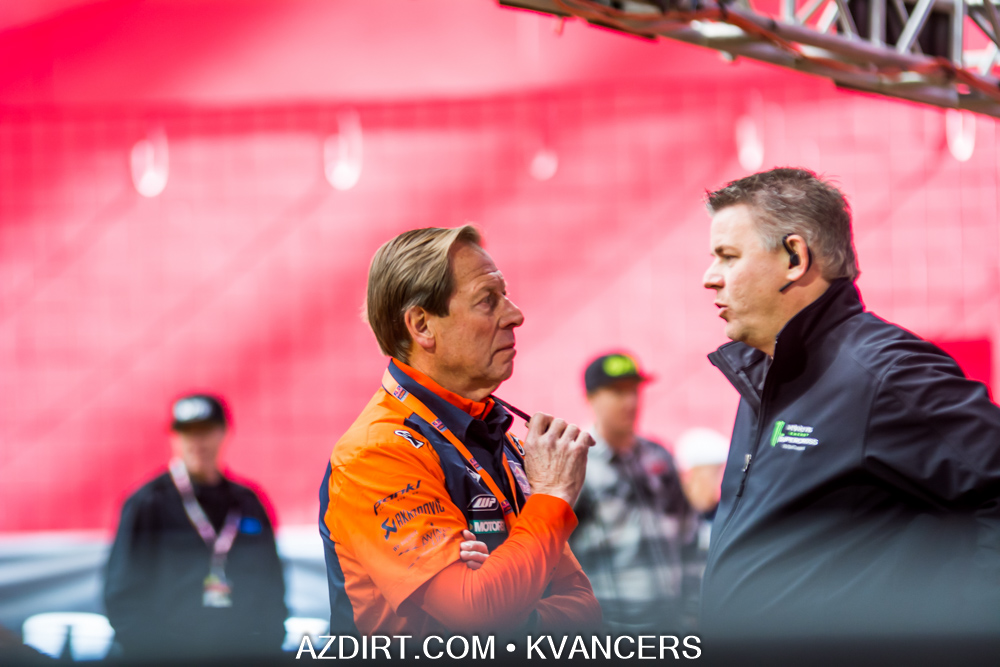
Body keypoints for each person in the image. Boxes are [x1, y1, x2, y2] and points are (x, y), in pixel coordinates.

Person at [699, 167, 1000, 644]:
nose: (709, 278)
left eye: (728, 256)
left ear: (795, 257)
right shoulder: (765, 373)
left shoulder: (885, 373)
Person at [319, 226, 601, 638]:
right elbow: (478, 611)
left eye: (505, 296)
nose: (515, 315)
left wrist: (511, 613)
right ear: (422, 326)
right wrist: (552, 496)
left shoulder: (500, 437)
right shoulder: (373, 452)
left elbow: (585, 610)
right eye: (488, 300)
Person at [103, 394, 287, 661]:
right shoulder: (147, 503)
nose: (197, 441)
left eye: (205, 430)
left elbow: (273, 588)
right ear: (174, 437)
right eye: (188, 432)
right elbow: (122, 596)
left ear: (224, 432)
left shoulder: (248, 502)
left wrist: (266, 647)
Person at [569, 353, 698, 633]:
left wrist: (692, 608)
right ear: (590, 398)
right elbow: (554, 551)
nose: (630, 401)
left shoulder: (658, 456)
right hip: (608, 629)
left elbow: (690, 533)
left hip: (673, 624)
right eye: (618, 392)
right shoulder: (576, 462)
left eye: (634, 391)